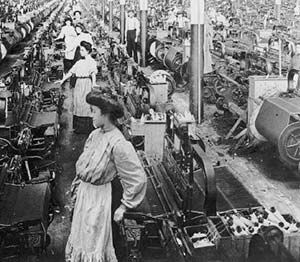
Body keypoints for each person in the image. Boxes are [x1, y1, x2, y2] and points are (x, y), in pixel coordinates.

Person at [65, 90, 147, 262]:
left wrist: (123, 207)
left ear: (106, 113)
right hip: (85, 198)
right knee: (83, 239)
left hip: (100, 202)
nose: (90, 115)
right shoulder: (95, 135)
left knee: (96, 244)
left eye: (93, 111)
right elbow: (85, 166)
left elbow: (137, 178)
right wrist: (77, 189)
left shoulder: (118, 144)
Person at [57, 41, 97, 134]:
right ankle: (78, 127)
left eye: (82, 50)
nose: (80, 52)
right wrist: (62, 80)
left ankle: (87, 128)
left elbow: (93, 73)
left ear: (88, 51)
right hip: (78, 83)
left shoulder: (92, 62)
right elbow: (71, 72)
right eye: (80, 50)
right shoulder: (79, 62)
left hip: (86, 83)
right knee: (78, 103)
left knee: (86, 104)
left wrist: (93, 84)